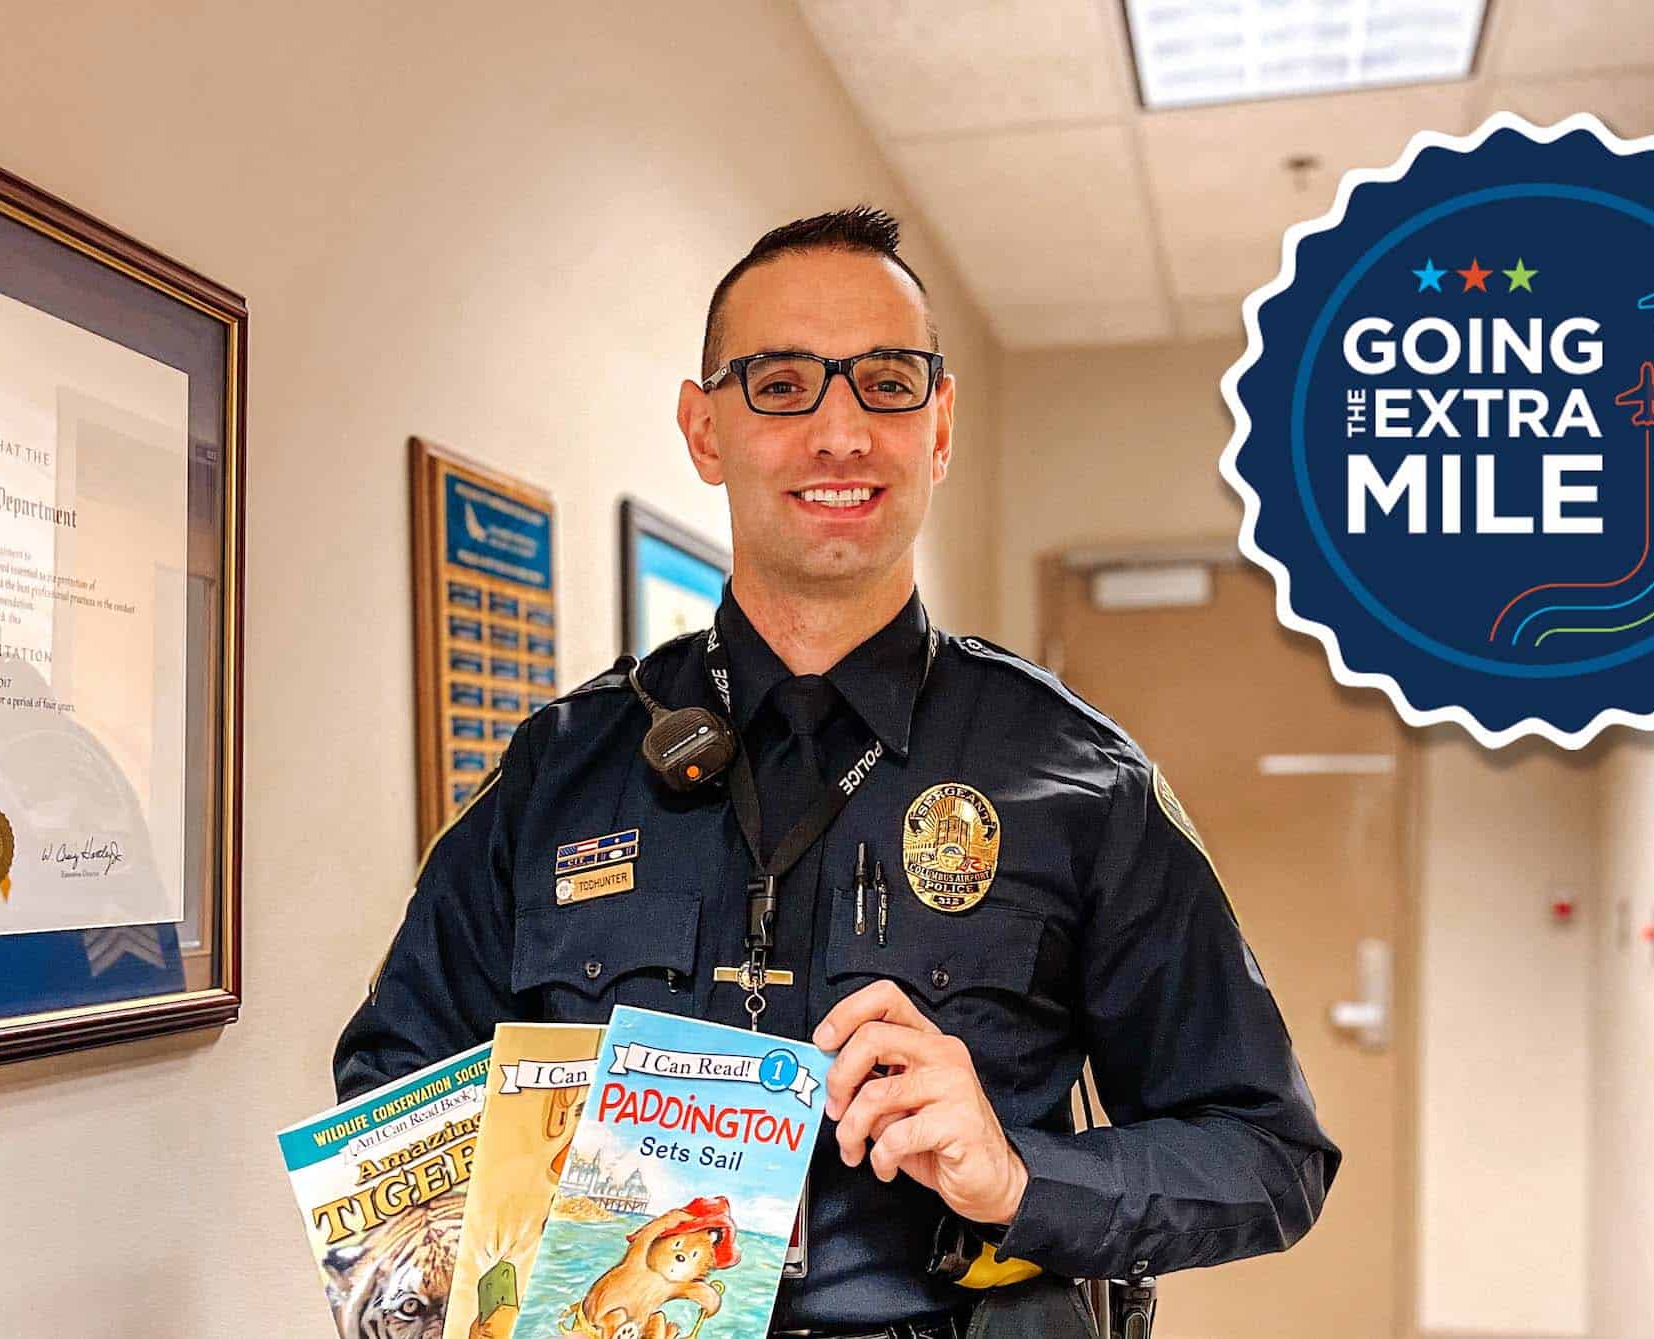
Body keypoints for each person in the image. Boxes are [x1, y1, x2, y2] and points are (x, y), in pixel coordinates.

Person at [334, 207, 1338, 1339]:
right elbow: (390, 1093)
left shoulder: (1079, 776)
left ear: (941, 424)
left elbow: (1270, 1153)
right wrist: (527, 1236)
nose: (840, 431)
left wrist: (1018, 1176)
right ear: (704, 429)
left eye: (888, 381)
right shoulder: (559, 771)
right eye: (781, 384)